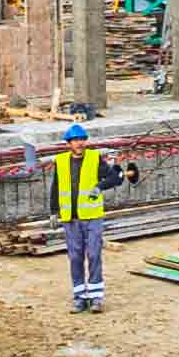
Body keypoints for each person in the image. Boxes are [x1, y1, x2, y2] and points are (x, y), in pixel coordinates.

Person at [47, 125, 106, 313]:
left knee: (94, 254)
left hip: (92, 217)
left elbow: (116, 177)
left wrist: (100, 186)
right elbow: (56, 187)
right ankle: (80, 297)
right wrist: (53, 211)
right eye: (76, 140)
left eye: (82, 139)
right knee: (75, 258)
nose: (80, 143)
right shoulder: (61, 161)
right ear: (69, 143)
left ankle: (96, 297)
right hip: (70, 219)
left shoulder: (95, 158)